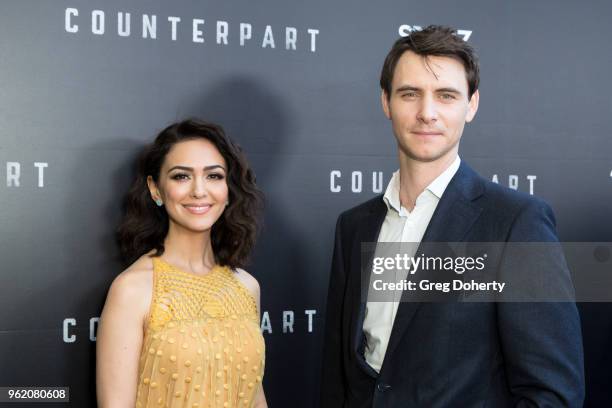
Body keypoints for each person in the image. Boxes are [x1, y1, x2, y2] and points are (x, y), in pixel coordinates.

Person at [320, 25, 584, 407]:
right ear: (385, 102)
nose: (427, 113)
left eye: (446, 96)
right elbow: (339, 377)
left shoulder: (515, 224)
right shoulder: (354, 226)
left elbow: (553, 394)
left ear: (471, 105)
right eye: (410, 94)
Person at [96, 119, 268, 408]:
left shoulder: (246, 287)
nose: (199, 191)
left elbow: (254, 395)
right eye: (181, 176)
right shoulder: (133, 290)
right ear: (155, 189)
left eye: (214, 176)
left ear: (228, 188)